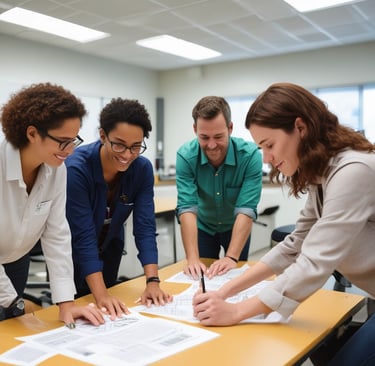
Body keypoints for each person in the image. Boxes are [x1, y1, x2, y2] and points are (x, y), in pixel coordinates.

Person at [193, 83, 375, 333]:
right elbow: (295, 244)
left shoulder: (353, 171)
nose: (266, 158)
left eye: (270, 145)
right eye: (261, 148)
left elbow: (314, 262)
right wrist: (224, 291)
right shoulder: (321, 175)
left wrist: (237, 311)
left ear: (300, 128)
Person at [0, 82, 104, 326]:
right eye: (62, 141)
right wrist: (12, 301)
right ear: (32, 133)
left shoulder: (56, 169)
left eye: (74, 140)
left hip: (16, 259)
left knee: (10, 332)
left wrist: (66, 304)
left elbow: (57, 235)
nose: (70, 150)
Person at [65, 98, 172, 320]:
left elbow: (144, 226)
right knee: (79, 314)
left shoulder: (141, 169)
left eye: (136, 146)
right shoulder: (76, 169)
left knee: (107, 317)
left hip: (110, 248)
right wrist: (101, 294)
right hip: (71, 255)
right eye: (119, 144)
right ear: (103, 135)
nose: (126, 155)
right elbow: (82, 236)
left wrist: (152, 281)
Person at [176, 96, 263, 280]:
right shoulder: (185, 156)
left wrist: (231, 257)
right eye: (204, 137)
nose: (212, 145)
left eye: (218, 137)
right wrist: (191, 259)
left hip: (236, 226)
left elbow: (246, 209)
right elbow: (187, 208)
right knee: (201, 279)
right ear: (195, 130)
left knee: (233, 277)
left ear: (230, 128)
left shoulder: (250, 156)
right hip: (203, 228)